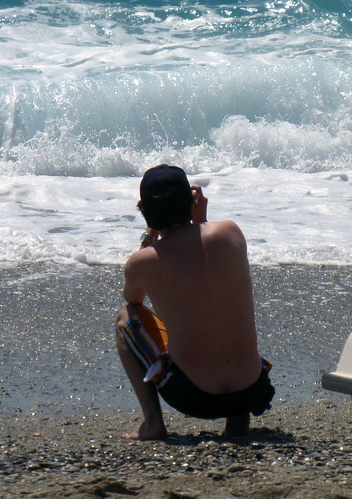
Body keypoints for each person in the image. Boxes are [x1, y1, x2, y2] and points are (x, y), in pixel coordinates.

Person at [115, 164, 274, 440]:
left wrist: (150, 234)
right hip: (253, 390)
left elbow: (134, 300)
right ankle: (238, 423)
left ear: (143, 210)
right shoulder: (230, 232)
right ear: (191, 200)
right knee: (221, 307)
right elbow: (203, 262)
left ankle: (153, 423)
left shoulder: (142, 262)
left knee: (125, 317)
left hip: (193, 397)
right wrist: (200, 221)